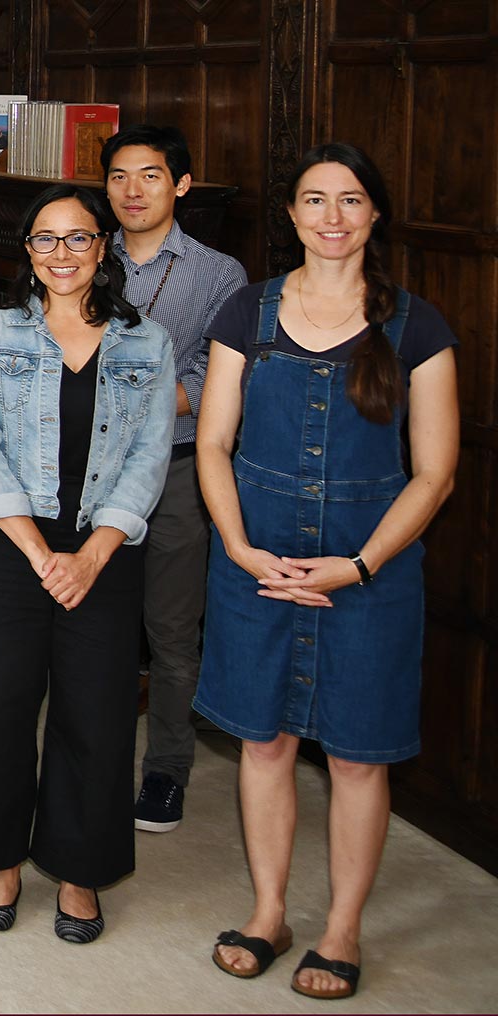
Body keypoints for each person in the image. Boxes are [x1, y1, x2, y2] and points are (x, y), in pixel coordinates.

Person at [197, 143, 458, 1001]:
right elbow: (213, 444)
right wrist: (237, 547)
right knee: (264, 742)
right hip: (258, 561)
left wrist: (357, 564)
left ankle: (342, 926)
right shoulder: (248, 311)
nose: (332, 218)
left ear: (374, 215)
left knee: (355, 755)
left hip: (369, 575)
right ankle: (269, 911)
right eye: (315, 201)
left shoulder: (417, 327)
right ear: (293, 215)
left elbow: (434, 474)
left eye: (350, 202)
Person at [0, 184, 173, 944]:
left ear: (103, 248)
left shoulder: (149, 343)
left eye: (79, 239)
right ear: (27, 252)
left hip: (105, 549)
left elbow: (147, 460)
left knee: (96, 713)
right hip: (14, 548)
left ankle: (79, 871)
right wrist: (44, 555)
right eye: (46, 239)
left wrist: (93, 552)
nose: (62, 254)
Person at [99, 124, 249, 832]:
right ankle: (89, 758)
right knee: (92, 619)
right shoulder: (85, 253)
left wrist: (131, 393)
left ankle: (165, 771)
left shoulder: (219, 273)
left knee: (170, 628)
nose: (133, 191)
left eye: (150, 176)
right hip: (88, 467)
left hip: (178, 468)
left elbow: (212, 378)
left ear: (181, 184)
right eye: (120, 177)